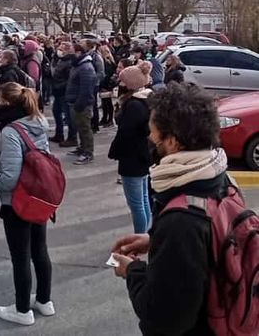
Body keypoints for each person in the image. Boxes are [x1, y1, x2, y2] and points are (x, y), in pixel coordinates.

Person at [111, 83, 230, 335]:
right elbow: (207, 245)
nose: (149, 139)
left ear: (173, 142)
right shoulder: (219, 176)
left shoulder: (181, 221)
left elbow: (166, 319)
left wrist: (131, 271)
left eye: (153, 133)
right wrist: (156, 241)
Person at [0, 82, 54, 326]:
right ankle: (45, 301)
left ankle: (21, 310)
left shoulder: (11, 131)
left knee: (20, 256)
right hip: (40, 195)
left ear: (5, 102)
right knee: (40, 248)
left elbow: (9, 177)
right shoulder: (38, 122)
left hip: (18, 201)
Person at [108, 61, 153, 234]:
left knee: (136, 204)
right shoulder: (146, 99)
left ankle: (140, 237)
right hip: (143, 156)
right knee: (143, 199)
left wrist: (114, 152)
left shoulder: (134, 105)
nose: (120, 84)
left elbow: (125, 133)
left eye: (123, 81)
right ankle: (147, 234)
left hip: (132, 158)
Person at [66, 44, 97, 165]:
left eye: (71, 51)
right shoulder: (77, 65)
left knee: (85, 128)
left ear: (78, 52)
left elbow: (86, 89)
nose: (69, 54)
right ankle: (82, 148)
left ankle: (88, 152)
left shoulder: (86, 68)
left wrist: (80, 104)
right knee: (79, 127)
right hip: (74, 102)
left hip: (82, 105)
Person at [50, 42, 76, 146]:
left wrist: (60, 85)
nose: (59, 51)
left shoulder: (70, 61)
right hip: (57, 91)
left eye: (62, 49)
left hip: (64, 91)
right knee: (56, 112)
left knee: (69, 116)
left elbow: (69, 78)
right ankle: (59, 134)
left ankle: (72, 137)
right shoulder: (60, 60)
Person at [98, 45, 117, 127]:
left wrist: (103, 84)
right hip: (107, 84)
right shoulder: (110, 61)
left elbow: (107, 74)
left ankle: (109, 119)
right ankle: (105, 118)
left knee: (107, 103)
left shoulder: (107, 62)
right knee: (105, 102)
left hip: (107, 84)